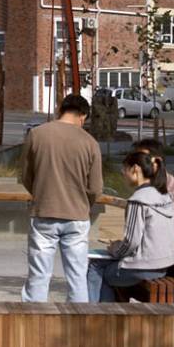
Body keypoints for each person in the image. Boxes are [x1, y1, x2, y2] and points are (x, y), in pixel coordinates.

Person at [18, 92, 102, 301]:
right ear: (83, 116)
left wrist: (40, 192)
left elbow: (26, 176)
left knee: (38, 276)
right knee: (77, 278)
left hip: (44, 211)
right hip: (77, 216)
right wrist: (84, 204)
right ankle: (76, 327)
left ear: (60, 110)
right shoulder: (90, 142)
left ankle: (34, 322)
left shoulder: (37, 134)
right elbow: (95, 187)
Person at [93, 150, 174, 301]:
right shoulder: (165, 196)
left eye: (124, 169)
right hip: (165, 263)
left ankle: (97, 315)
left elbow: (131, 243)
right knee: (110, 267)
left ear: (135, 169)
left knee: (95, 268)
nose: (123, 174)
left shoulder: (137, 200)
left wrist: (114, 250)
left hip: (144, 266)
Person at [128, 142, 174, 255]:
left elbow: (155, 225)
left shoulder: (164, 186)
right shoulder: (155, 182)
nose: (136, 164)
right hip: (166, 239)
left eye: (142, 158)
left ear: (157, 162)